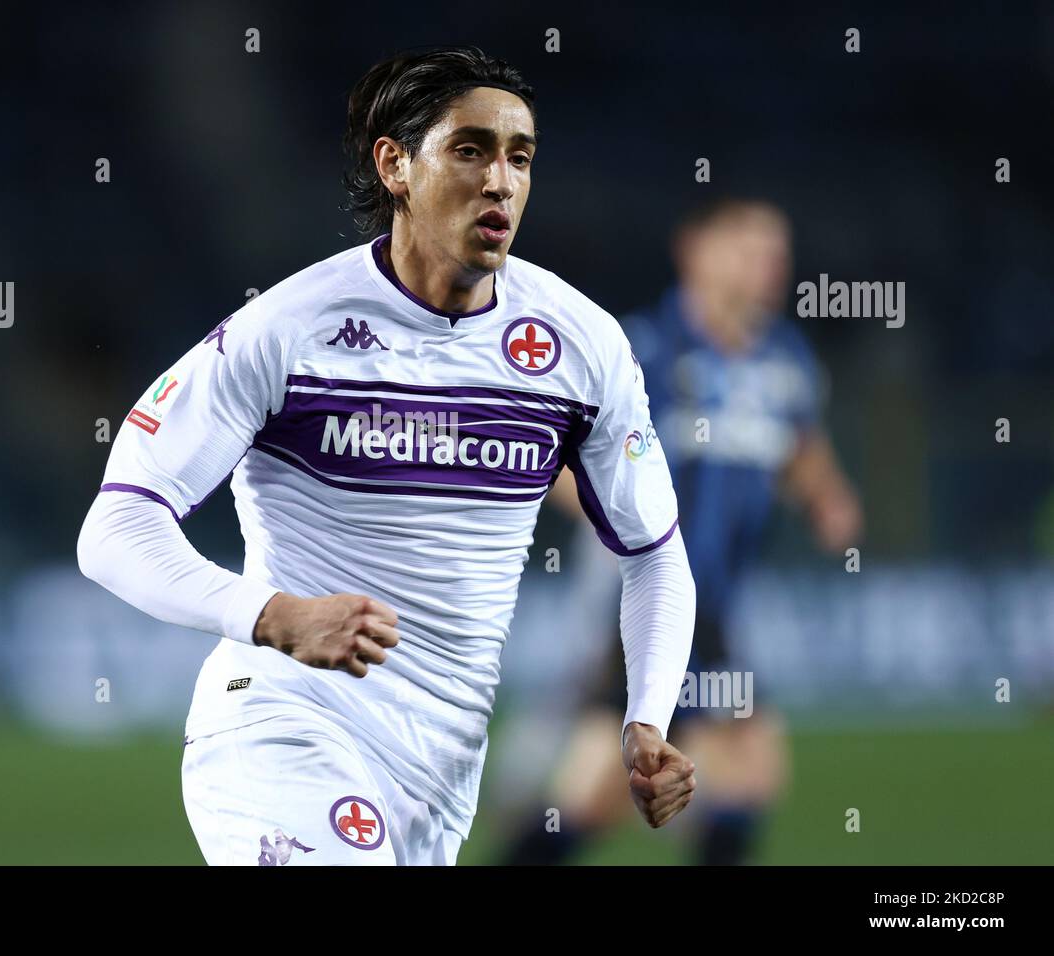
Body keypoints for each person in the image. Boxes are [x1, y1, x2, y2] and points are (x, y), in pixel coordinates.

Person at [76, 45, 697, 866]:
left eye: (521, 157)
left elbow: (656, 554)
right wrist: (271, 616)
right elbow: (114, 526)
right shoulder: (288, 330)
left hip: (440, 769)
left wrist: (646, 718)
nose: (500, 182)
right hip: (282, 725)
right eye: (470, 150)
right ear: (396, 165)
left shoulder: (581, 345)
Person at [502, 198, 863, 865]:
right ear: (695, 249)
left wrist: (827, 499)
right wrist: (630, 525)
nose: (770, 266)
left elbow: (800, 447)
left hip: (716, 609)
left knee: (630, 788)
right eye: (750, 249)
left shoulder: (783, 360)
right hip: (649, 603)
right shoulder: (643, 350)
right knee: (706, 773)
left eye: (777, 253)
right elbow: (551, 459)